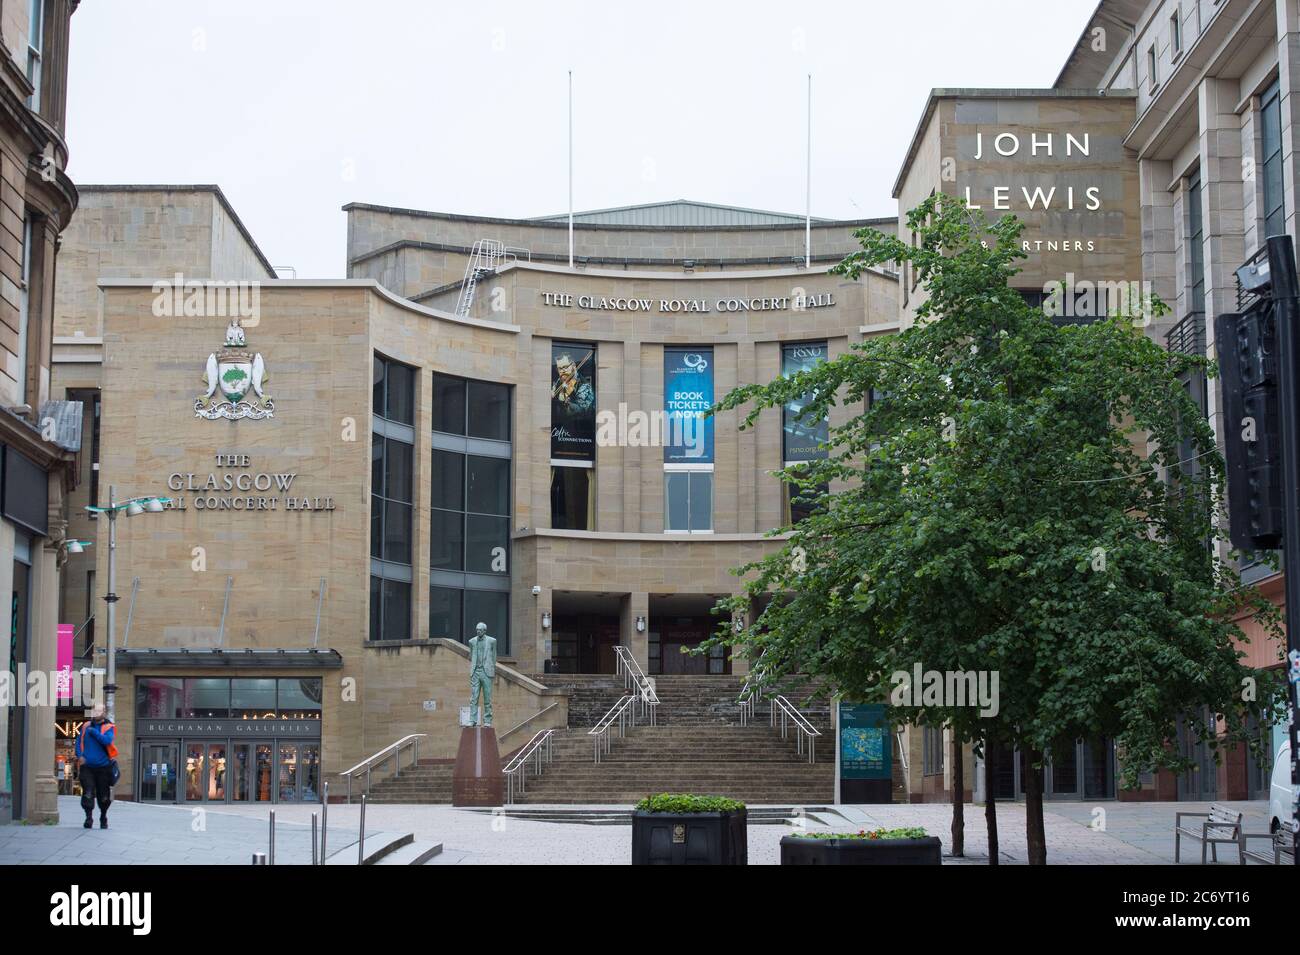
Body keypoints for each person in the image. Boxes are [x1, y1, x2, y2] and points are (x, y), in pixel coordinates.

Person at [75, 704, 116, 829]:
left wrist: (94, 733)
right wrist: (80, 756)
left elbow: (107, 741)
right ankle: (88, 817)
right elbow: (78, 741)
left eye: (99, 710)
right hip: (87, 767)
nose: (97, 712)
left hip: (103, 768)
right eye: (95, 710)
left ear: (104, 712)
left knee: (104, 797)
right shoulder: (85, 726)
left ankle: (103, 816)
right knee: (87, 793)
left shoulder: (109, 727)